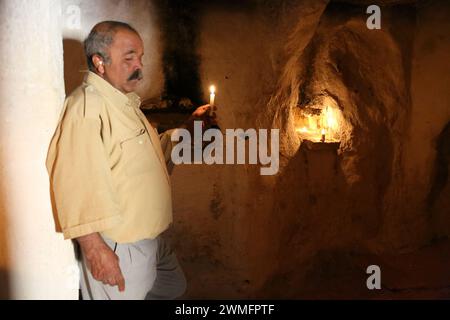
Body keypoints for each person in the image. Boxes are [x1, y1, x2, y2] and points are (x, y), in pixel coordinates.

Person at [46, 21, 212, 300]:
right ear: (99, 62)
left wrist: (187, 130)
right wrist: (95, 249)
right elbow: (75, 180)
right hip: (120, 247)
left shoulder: (123, 103)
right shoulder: (87, 107)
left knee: (173, 285)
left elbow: (145, 156)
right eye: (129, 57)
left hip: (150, 239)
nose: (139, 66)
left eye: (141, 57)